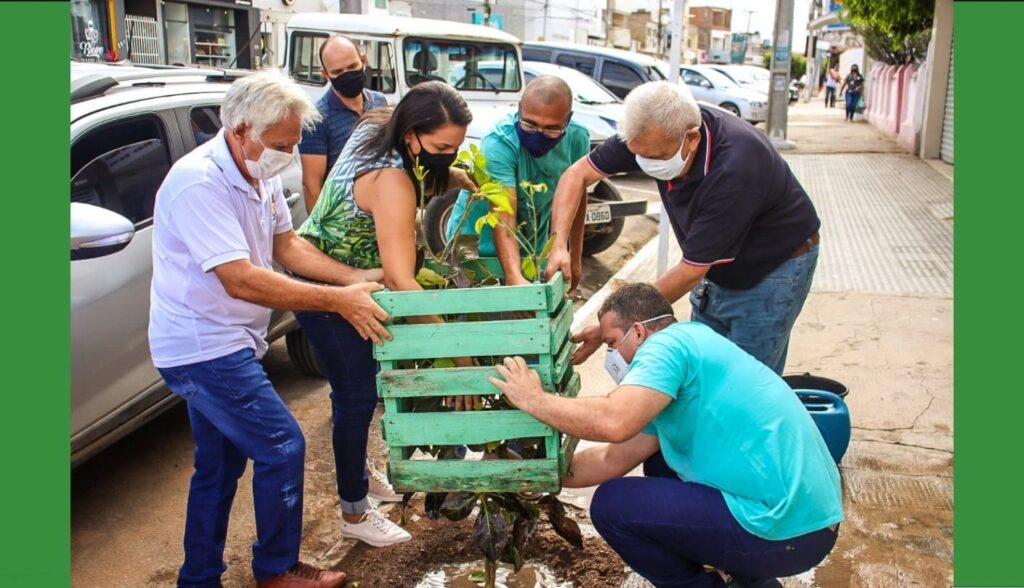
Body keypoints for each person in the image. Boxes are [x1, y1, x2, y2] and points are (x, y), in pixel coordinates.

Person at [149, 70, 391, 588]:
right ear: (238, 129)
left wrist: (358, 279)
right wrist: (338, 300)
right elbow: (240, 279)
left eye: (294, 142)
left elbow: (289, 247)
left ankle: (198, 578)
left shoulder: (258, 174)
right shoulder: (200, 181)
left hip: (230, 338)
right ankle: (277, 570)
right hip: (203, 345)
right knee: (282, 445)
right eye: (280, 143)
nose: (288, 153)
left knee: (218, 468)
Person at [489, 283, 843, 588]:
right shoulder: (696, 342)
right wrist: (540, 474)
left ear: (639, 332)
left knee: (613, 506)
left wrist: (534, 400)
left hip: (786, 530)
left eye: (613, 343)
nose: (614, 356)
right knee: (659, 463)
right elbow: (613, 458)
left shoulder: (667, 348)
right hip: (810, 522)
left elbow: (615, 421)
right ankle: (755, 582)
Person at [293, 80, 478, 547]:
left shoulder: (377, 124)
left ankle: (358, 472)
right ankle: (354, 513)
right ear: (412, 133)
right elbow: (401, 282)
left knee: (359, 391)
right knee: (355, 398)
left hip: (337, 273)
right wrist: (457, 354)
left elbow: (415, 178)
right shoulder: (393, 179)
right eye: (440, 148)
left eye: (455, 148)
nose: (447, 156)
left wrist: (451, 174)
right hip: (330, 294)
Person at [545, 81, 821, 375]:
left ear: (691, 139)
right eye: (639, 156)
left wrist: (610, 328)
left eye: (656, 157)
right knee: (702, 370)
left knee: (744, 380)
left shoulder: (734, 170)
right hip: (716, 269)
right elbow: (576, 175)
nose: (647, 165)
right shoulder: (651, 133)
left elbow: (690, 272)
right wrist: (559, 245)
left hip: (773, 270)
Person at [445, 75, 589, 286]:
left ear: (568, 119)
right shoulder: (500, 143)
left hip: (531, 251)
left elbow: (577, 196)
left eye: (551, 128)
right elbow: (505, 213)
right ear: (519, 108)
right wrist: (513, 276)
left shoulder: (577, 139)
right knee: (478, 312)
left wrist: (574, 256)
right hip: (476, 249)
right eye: (530, 124)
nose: (538, 134)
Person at [299, 35, 388, 213]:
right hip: (343, 221)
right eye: (338, 72)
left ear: (363, 60)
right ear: (325, 74)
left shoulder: (379, 102)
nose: (347, 75)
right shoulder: (316, 118)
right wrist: (320, 234)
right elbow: (312, 184)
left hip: (381, 210)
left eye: (353, 67)